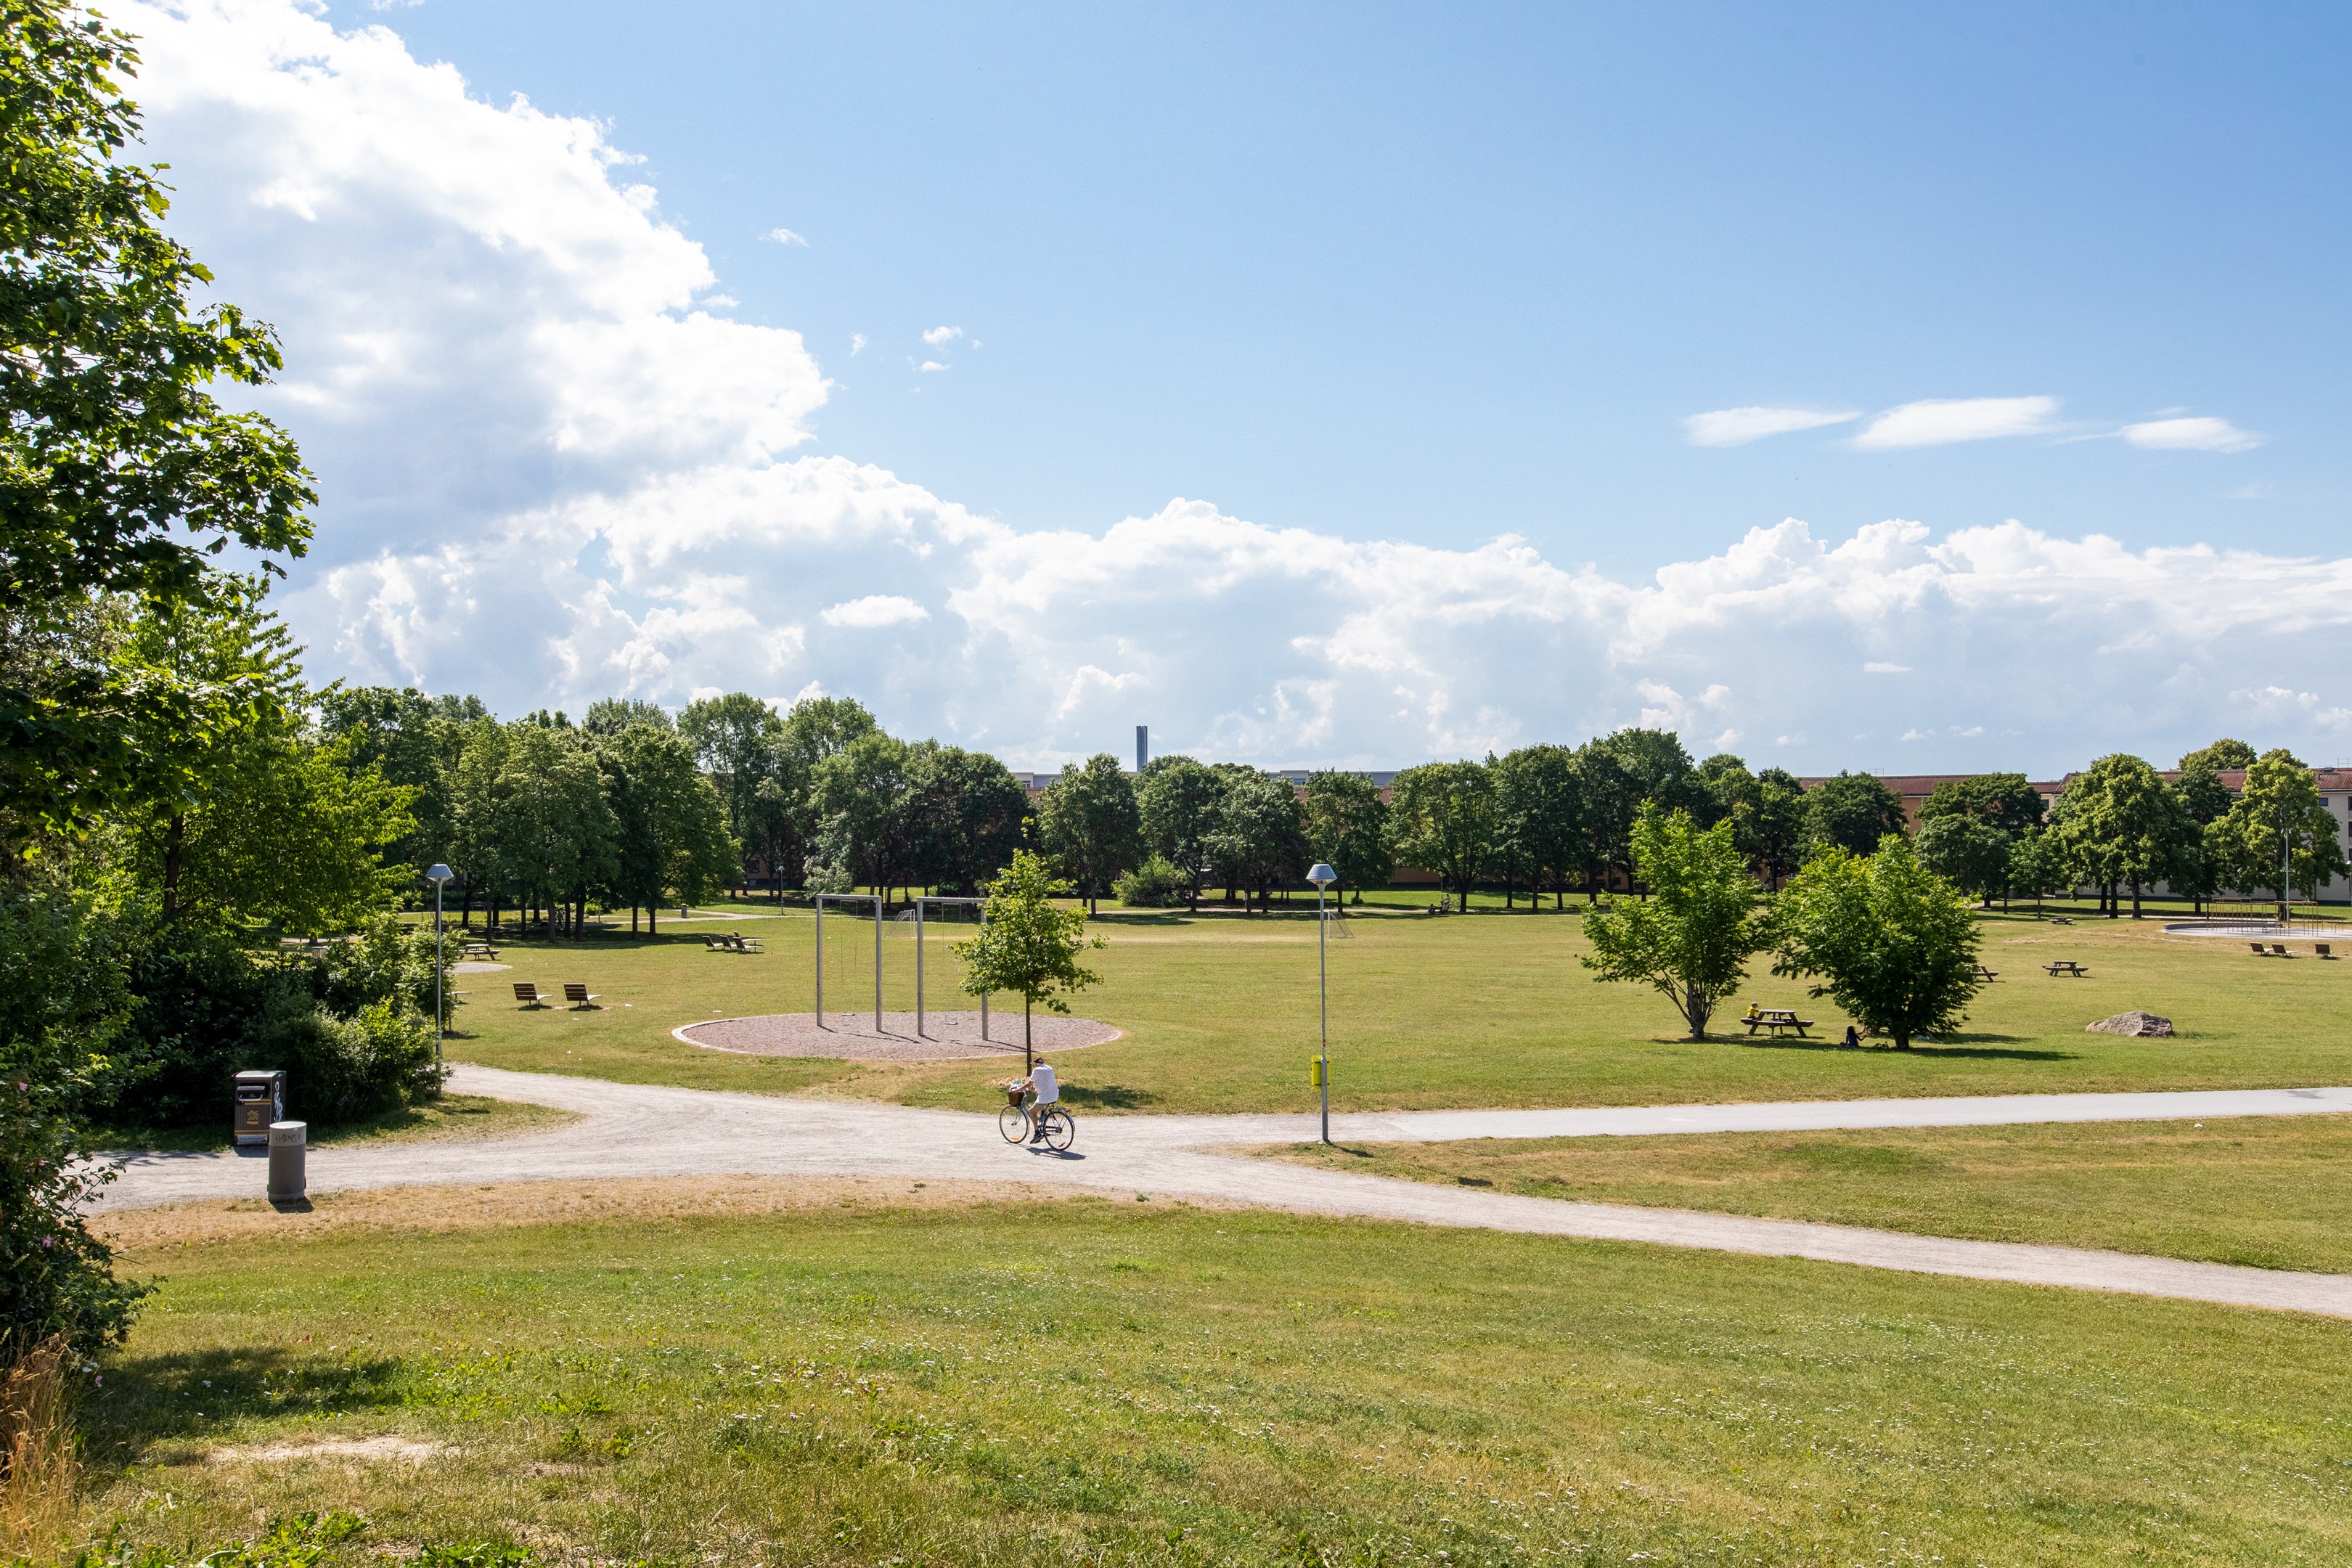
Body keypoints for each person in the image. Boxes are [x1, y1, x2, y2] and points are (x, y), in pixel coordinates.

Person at [1026, 1059, 1059, 1143]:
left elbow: (1029, 1084)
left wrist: (1018, 1089)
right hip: (1054, 1095)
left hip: (1046, 1097)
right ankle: (1043, 1114)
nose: (1033, 1066)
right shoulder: (1049, 1068)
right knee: (1037, 1092)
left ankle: (1037, 1133)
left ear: (1036, 1064)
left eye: (1033, 1064)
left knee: (1032, 1112)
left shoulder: (1037, 1070)